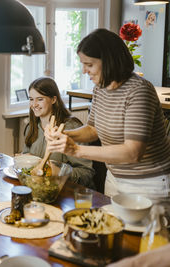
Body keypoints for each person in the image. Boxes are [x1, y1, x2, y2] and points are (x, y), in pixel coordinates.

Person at [45, 28, 170, 205]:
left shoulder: (139, 91)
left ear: (109, 61)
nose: (84, 71)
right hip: (114, 178)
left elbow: (133, 152)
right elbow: (93, 129)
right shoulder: (100, 89)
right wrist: (65, 135)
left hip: (148, 184)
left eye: (89, 64)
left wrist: (77, 150)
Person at [22, 77, 95, 189]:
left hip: (69, 193)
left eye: (40, 99)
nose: (34, 104)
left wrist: (59, 172)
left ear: (53, 99)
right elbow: (27, 160)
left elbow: (87, 173)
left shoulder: (71, 127)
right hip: (41, 189)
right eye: (31, 99)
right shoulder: (31, 128)